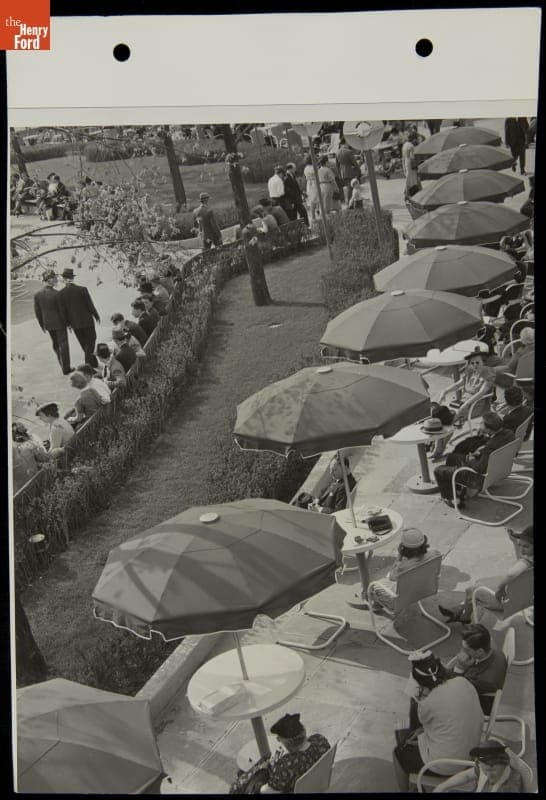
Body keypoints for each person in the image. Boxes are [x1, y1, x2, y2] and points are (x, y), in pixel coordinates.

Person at [393, 651, 483, 792]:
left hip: (447, 765)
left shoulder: (427, 703)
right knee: (416, 734)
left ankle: (406, 790)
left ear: (420, 685)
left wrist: (418, 699)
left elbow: (421, 724)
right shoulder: (462, 681)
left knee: (398, 753)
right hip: (472, 754)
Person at [439, 526, 533, 625]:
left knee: (471, 590)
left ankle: (464, 617)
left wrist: (501, 588)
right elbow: (521, 560)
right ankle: (460, 609)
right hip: (525, 599)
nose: (522, 550)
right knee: (479, 583)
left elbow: (512, 574)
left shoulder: (526, 562)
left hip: (507, 603)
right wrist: (514, 542)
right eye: (520, 545)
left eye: (526, 546)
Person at [433, 412, 515, 506]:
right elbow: (495, 444)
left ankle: (452, 499)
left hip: (478, 478)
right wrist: (481, 451)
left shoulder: (490, 447)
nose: (480, 424)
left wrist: (470, 459)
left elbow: (479, 469)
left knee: (439, 471)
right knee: (451, 458)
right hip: (498, 468)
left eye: (482, 423)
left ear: (489, 429)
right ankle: (456, 487)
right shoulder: (510, 434)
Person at [369, 529, 440, 611]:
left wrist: (399, 557)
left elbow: (391, 577)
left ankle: (376, 604)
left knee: (373, 586)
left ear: (404, 549)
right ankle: (377, 605)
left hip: (402, 599)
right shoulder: (435, 554)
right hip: (423, 590)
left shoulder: (402, 567)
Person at [260, 713, 330, 794]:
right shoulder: (320, 740)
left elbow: (266, 791)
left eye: (279, 739)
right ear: (303, 730)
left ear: (286, 741)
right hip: (318, 784)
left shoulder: (287, 764)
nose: (279, 741)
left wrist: (263, 773)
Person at [432, 740, 531, 793]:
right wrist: (442, 786)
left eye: (493, 770)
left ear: (504, 764)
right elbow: (467, 776)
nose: (488, 775)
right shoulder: (485, 767)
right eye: (485, 770)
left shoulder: (511, 786)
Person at [438, 348, 495, 425]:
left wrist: (466, 404)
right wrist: (445, 391)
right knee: (440, 412)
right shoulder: (470, 371)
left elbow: (481, 393)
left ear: (483, 362)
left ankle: (445, 429)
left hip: (476, 405)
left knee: (446, 420)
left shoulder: (488, 373)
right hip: (463, 403)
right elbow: (458, 384)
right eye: (472, 363)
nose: (475, 365)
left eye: (477, 362)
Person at [58, 267, 100, 368]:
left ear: (64, 280)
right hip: (87, 322)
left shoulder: (60, 294)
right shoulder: (82, 289)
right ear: (72, 278)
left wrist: (68, 324)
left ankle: (93, 363)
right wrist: (96, 315)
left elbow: (63, 312)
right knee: (91, 341)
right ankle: (88, 366)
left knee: (85, 344)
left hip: (75, 324)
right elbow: (90, 304)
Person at [33, 269, 72, 375]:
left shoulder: (38, 295)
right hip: (60, 323)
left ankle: (62, 365)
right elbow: (62, 311)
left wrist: (43, 326)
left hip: (48, 324)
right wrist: (68, 323)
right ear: (49, 280)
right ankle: (66, 368)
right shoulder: (57, 294)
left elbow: (38, 313)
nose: (55, 279)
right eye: (53, 278)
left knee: (56, 345)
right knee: (63, 344)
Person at [12, 422, 49, 492]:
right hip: (36, 482)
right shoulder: (29, 444)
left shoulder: (19, 448)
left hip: (22, 490)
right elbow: (44, 458)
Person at [401, 130, 422, 199]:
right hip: (410, 162)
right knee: (413, 177)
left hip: (406, 161)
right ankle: (408, 191)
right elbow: (412, 157)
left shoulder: (404, 145)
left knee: (408, 177)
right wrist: (416, 165)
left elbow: (403, 157)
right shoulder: (411, 146)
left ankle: (408, 191)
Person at [303, 155, 319, 220]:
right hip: (315, 183)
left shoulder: (306, 168)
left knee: (312, 199)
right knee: (316, 199)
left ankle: (314, 215)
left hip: (309, 184)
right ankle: (315, 214)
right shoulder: (314, 168)